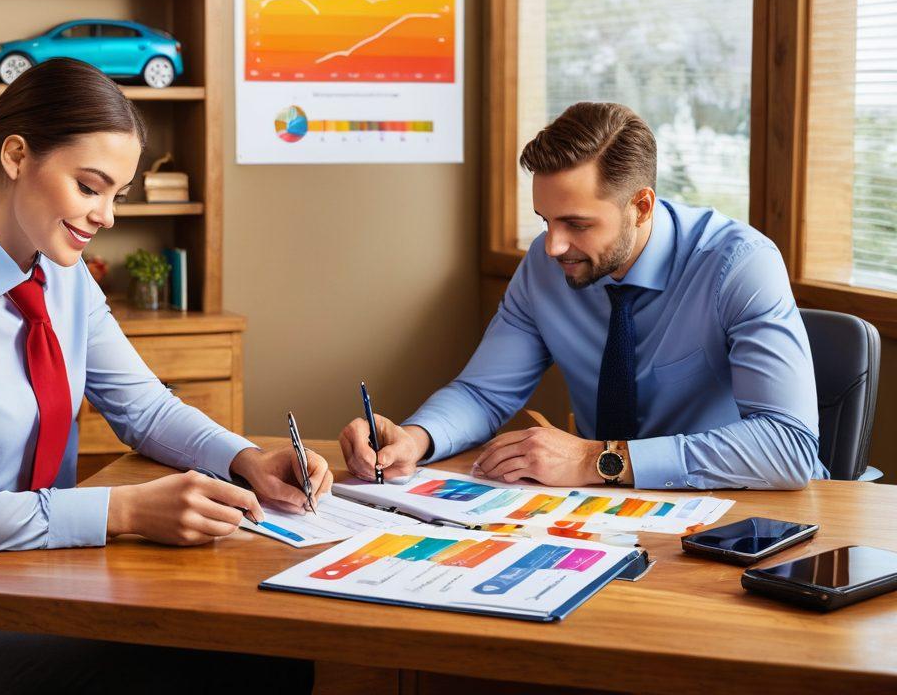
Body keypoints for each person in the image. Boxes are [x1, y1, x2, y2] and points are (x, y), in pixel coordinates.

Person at [0, 58, 326, 695]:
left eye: (117, 196)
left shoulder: (64, 278)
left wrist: (246, 460)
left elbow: (145, 409)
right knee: (219, 660)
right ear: (17, 155)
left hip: (10, 579)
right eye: (90, 187)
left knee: (258, 644)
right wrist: (126, 509)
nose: (106, 215)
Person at [341, 102, 826, 493]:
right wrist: (417, 439)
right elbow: (483, 391)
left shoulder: (738, 264)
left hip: (733, 512)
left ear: (640, 206)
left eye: (576, 223)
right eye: (545, 220)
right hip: (602, 509)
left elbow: (789, 447)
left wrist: (598, 459)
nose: (552, 245)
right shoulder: (546, 264)